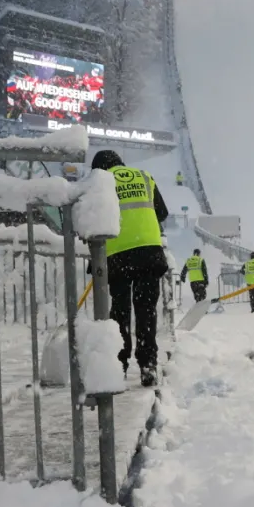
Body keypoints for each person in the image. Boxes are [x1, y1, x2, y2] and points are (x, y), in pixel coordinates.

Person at [90, 150, 169, 387]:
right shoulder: (144, 176)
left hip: (117, 255)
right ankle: (148, 365)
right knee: (146, 311)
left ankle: (118, 366)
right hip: (149, 252)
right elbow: (162, 213)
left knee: (120, 312)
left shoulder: (101, 182)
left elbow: (92, 221)